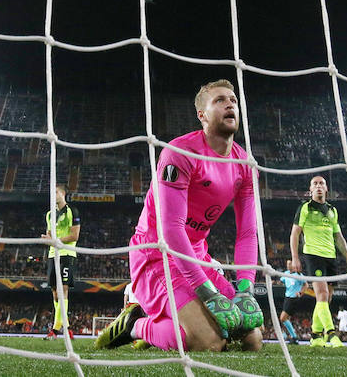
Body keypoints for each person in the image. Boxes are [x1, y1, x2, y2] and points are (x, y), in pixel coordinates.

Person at [96, 79, 263, 354]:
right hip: (156, 254)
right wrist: (207, 292)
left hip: (196, 256)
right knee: (207, 342)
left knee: (251, 340)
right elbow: (171, 230)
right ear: (202, 115)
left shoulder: (245, 165)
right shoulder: (179, 153)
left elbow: (247, 233)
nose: (230, 103)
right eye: (219, 100)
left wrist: (245, 288)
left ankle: (165, 319)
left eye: (232, 99)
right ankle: (136, 325)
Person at [290, 174, 347, 348]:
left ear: (326, 189)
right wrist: (295, 257)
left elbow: (338, 236)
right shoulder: (305, 208)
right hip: (313, 254)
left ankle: (316, 336)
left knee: (328, 297)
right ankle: (332, 334)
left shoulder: (332, 210)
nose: (318, 186)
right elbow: (295, 233)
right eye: (315, 184)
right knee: (322, 294)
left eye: (322, 183)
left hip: (331, 256)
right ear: (310, 190)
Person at [42, 183, 80, 339]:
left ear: (63, 193)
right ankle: (67, 328)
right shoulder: (49, 214)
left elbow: (74, 236)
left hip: (66, 254)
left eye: (56, 192)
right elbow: (49, 235)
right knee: (55, 293)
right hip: (53, 255)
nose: (53, 195)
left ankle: (56, 330)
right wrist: (47, 239)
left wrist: (55, 240)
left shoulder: (72, 211)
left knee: (62, 290)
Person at [280, 258, 307, 344]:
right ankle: (293, 338)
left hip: (293, 299)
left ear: (293, 265)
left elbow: (306, 285)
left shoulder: (298, 275)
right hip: (287, 297)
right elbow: (282, 281)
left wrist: (300, 293)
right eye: (287, 264)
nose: (288, 266)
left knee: (282, 318)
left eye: (290, 264)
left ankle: (294, 337)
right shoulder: (286, 274)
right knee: (286, 318)